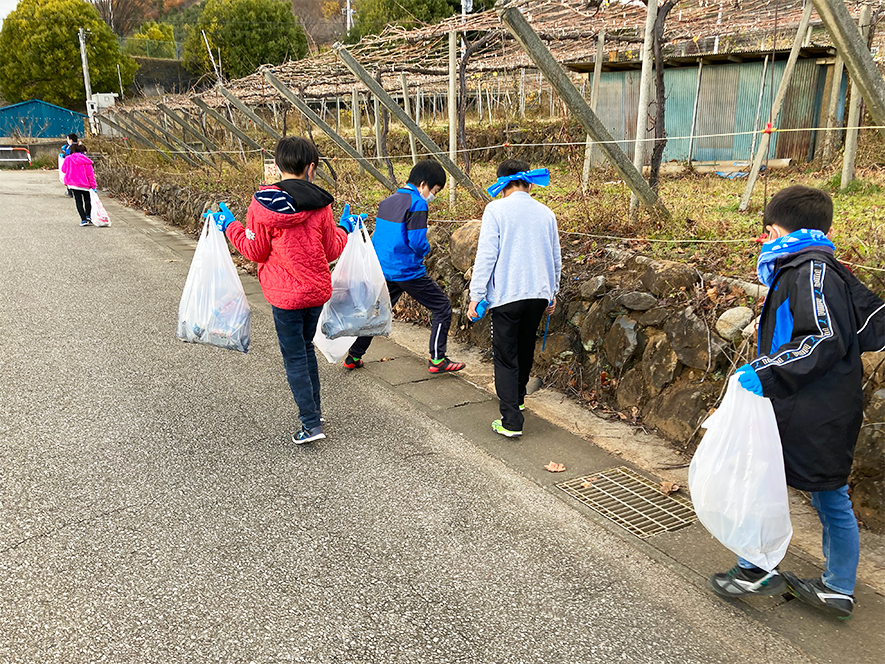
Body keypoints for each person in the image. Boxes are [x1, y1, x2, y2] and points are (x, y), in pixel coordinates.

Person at [708, 184, 885, 620]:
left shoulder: (810, 271)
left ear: (773, 231)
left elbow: (823, 337)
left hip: (810, 407)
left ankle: (776, 575)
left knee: (803, 490)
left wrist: (764, 372)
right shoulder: (810, 267)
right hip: (812, 402)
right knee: (795, 487)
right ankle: (782, 574)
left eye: (765, 234)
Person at [215, 136, 361, 444]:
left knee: (295, 356)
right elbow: (331, 249)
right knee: (306, 349)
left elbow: (254, 251)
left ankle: (311, 424)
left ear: (277, 166)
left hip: (284, 297)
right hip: (316, 293)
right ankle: (314, 412)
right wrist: (345, 228)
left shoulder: (262, 205)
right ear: (311, 168)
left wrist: (230, 226)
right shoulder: (321, 204)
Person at [343, 159, 465, 374]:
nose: (433, 195)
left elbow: (379, 237)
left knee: (377, 312)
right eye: (435, 190)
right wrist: (426, 250)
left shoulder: (388, 201)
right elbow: (417, 241)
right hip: (407, 271)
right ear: (424, 184)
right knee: (442, 307)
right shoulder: (418, 204)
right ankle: (438, 359)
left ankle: (354, 356)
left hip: (384, 269)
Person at [467, 159, 561, 438]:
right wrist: (552, 293)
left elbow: (487, 255)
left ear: (501, 185)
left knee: (506, 356)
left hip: (508, 294)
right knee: (525, 348)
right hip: (538, 295)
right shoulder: (546, 213)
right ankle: (518, 399)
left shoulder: (496, 210)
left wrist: (476, 295)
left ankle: (511, 421)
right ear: (529, 184)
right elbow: (555, 257)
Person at [60, 144, 96, 227]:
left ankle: (83, 219)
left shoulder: (68, 159)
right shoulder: (86, 160)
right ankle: (88, 215)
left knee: (78, 201)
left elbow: (63, 169)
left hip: (73, 184)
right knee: (87, 200)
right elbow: (90, 174)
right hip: (85, 184)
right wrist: (93, 186)